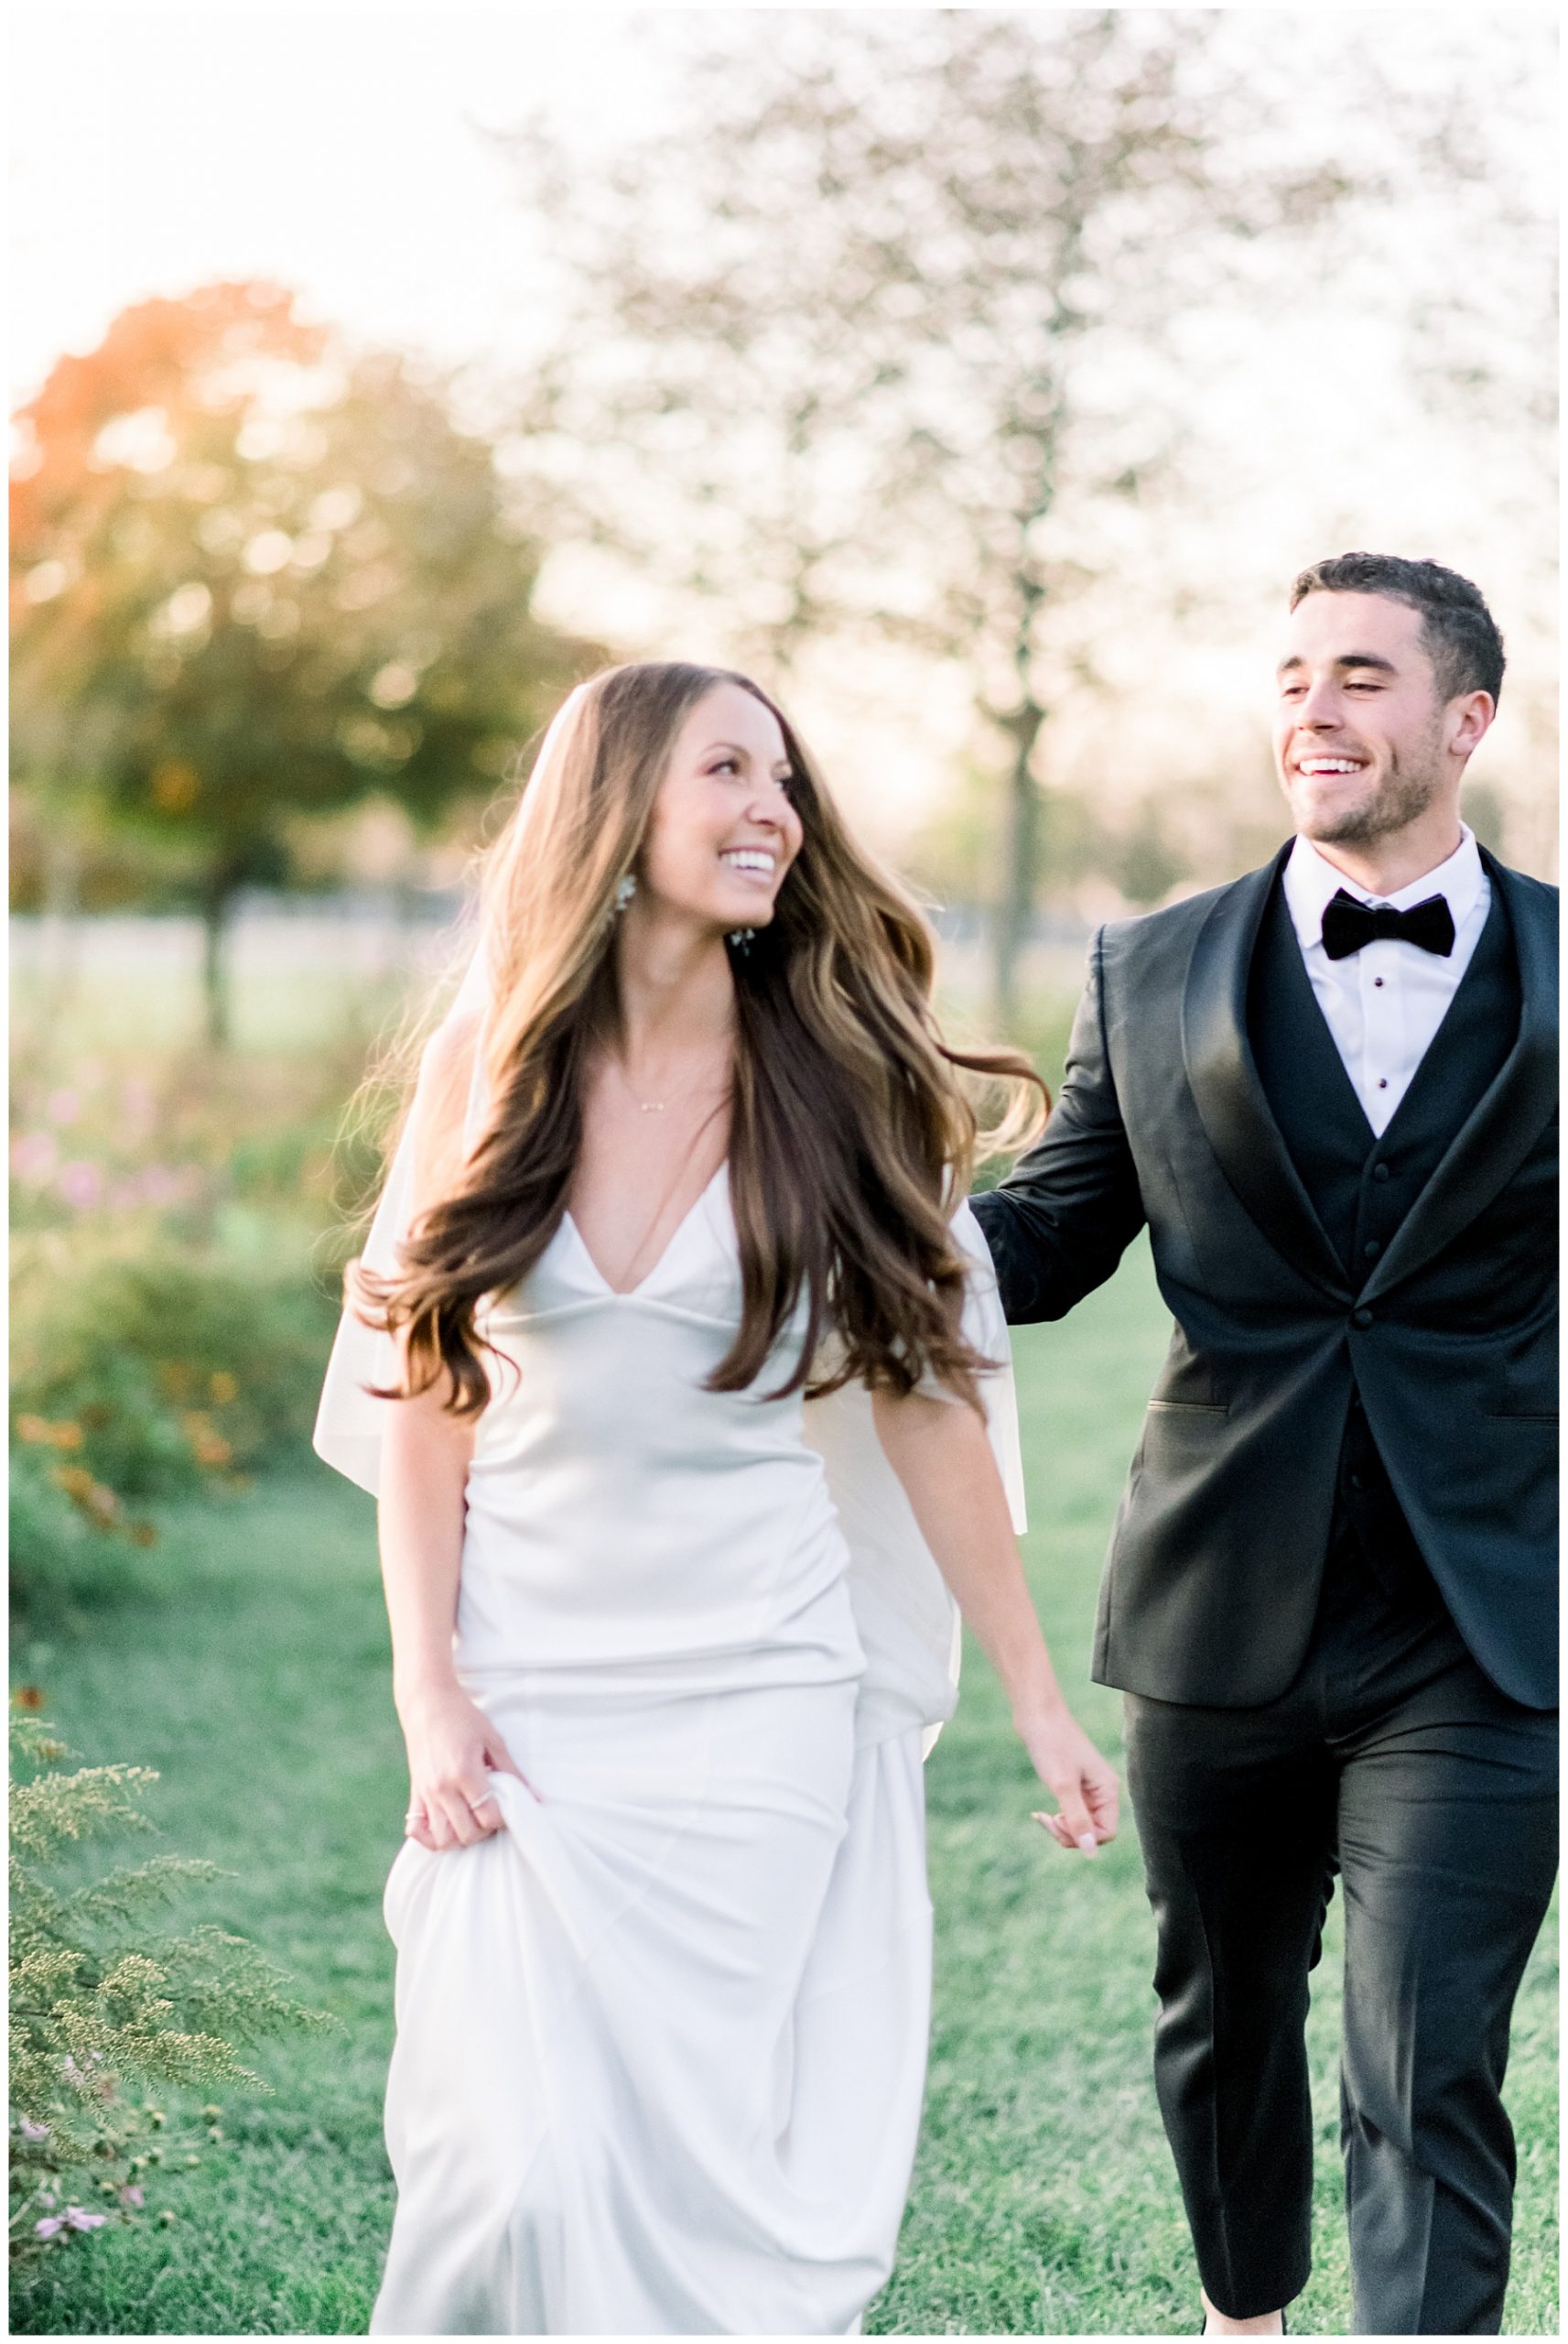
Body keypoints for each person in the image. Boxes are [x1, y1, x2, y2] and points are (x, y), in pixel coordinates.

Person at [314, 660, 1119, 2336]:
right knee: (507, 2172)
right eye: (729, 773)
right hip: (526, 1698)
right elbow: (420, 1392)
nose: (775, 811)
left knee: (691, 2181)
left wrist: (1037, 1703)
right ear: (619, 812)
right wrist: (429, 1688)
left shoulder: (830, 1080)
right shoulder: (492, 1059)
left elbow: (928, 1404)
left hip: (755, 1700)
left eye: (787, 782)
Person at [971, 553, 1557, 2338]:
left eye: (1361, 674)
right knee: (1221, 2015)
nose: (1311, 703)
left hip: (1477, 1611)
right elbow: (1051, 1232)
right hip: (1220, 1590)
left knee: (1420, 2046)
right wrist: (810, 1252)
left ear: (1463, 717)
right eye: (1291, 671)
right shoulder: (1145, 964)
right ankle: (1246, 2318)